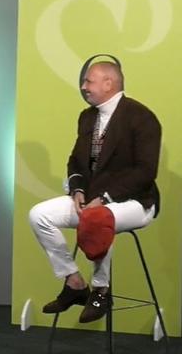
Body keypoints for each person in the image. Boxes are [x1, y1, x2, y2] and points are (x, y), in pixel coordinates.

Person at [28, 60, 161, 323]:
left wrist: (104, 198)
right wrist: (77, 190)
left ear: (108, 83)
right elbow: (76, 161)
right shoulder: (87, 117)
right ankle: (74, 283)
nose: (83, 86)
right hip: (91, 200)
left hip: (135, 201)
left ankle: (101, 290)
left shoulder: (141, 117)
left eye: (88, 81)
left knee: (98, 217)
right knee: (39, 215)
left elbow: (145, 172)